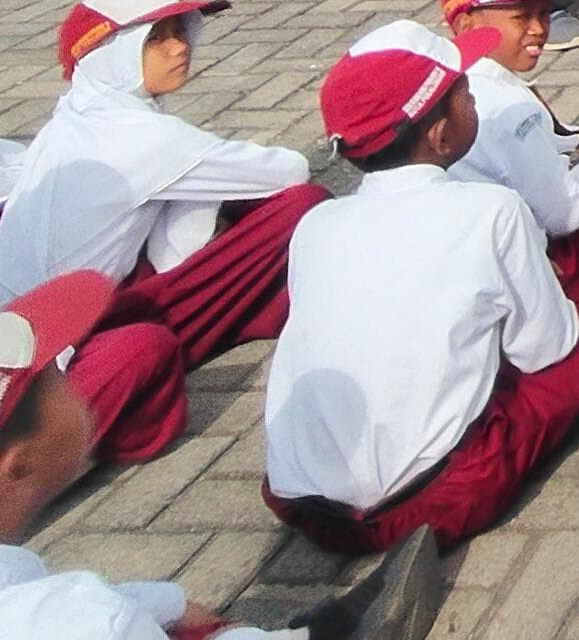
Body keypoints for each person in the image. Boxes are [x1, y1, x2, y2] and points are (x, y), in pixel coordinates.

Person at [263, 21, 579, 554]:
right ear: (439, 133)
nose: (476, 104)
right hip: (434, 499)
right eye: (467, 96)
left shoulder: (315, 224)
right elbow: (545, 350)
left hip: (301, 505)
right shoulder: (491, 210)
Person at [0, 269, 450, 640]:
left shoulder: (46, 602)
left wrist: (168, 604)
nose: (73, 373)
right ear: (17, 463)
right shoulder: (88, 621)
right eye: (53, 372)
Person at [0, 0, 326, 469]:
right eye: (155, 38)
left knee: (146, 333)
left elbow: (173, 240)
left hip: (49, 316)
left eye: (180, 31)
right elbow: (289, 169)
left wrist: (194, 187)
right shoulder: (145, 138)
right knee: (302, 204)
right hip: (43, 352)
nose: (179, 47)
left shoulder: (70, 120)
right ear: (111, 56)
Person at [439, 0, 579, 279]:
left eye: (543, 13)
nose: (539, 29)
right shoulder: (508, 104)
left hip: (459, 248)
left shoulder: (448, 77)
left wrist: (572, 139)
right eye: (521, 17)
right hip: (525, 264)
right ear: (467, 25)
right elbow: (565, 215)